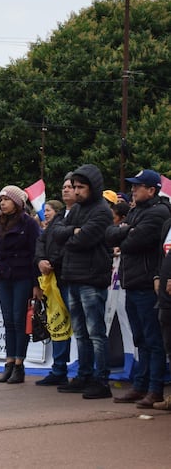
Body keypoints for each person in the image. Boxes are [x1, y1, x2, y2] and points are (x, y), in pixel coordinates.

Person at [106, 169, 171, 408]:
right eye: (132, 186)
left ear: (151, 189)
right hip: (132, 282)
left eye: (138, 186)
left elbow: (133, 242)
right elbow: (111, 235)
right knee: (140, 338)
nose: (133, 190)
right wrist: (125, 231)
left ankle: (154, 389)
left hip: (146, 284)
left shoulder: (159, 213)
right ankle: (141, 385)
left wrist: (124, 232)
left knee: (152, 340)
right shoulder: (136, 211)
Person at [50, 164, 113, 399]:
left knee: (95, 332)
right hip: (72, 277)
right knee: (80, 332)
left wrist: (72, 233)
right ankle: (84, 375)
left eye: (81, 187)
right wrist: (72, 231)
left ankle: (101, 380)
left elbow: (83, 240)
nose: (76, 191)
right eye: (74, 186)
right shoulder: (76, 210)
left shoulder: (102, 211)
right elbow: (56, 233)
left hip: (92, 279)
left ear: (93, 187)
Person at [0, 186, 41, 384]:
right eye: (1, 199)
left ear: (17, 202)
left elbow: (36, 252)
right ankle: (8, 363)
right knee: (8, 320)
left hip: (22, 276)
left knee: (19, 320)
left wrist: (36, 283)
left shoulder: (28, 223)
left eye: (7, 199)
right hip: (3, 276)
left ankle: (19, 365)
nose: (2, 203)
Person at [33, 174, 76, 386]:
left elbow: (69, 245)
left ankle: (88, 372)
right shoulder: (57, 220)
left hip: (71, 278)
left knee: (84, 328)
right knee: (57, 322)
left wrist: (52, 261)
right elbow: (41, 241)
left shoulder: (83, 215)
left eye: (71, 187)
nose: (66, 189)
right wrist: (41, 260)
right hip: (53, 279)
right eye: (64, 186)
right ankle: (59, 369)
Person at [153, 216, 171, 410]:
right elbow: (161, 255)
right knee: (169, 345)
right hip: (165, 300)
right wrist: (158, 276)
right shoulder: (167, 223)